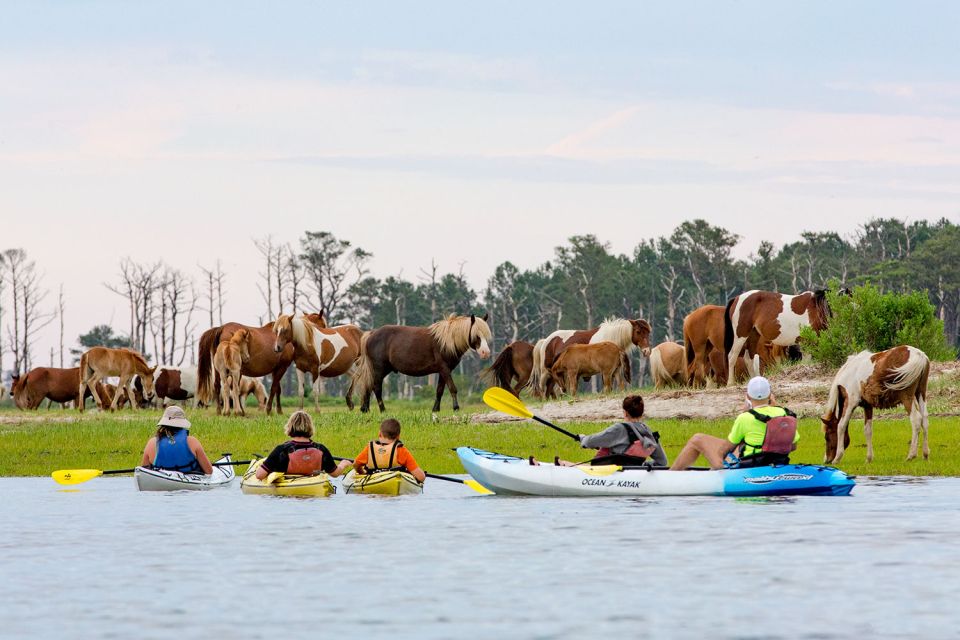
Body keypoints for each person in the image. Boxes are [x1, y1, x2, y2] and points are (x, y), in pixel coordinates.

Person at [670, 376, 799, 471]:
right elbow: (793, 446)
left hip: (751, 465)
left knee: (697, 439)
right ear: (770, 395)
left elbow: (726, 449)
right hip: (776, 461)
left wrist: (719, 460)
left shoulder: (745, 418)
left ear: (748, 396)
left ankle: (672, 476)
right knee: (745, 444)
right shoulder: (784, 414)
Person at [551, 395, 667, 467]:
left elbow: (592, 441)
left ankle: (561, 465)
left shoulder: (620, 429)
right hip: (632, 472)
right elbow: (662, 462)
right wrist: (643, 466)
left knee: (570, 465)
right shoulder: (648, 432)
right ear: (641, 413)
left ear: (625, 412)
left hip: (612, 473)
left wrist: (583, 439)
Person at [256, 410, 351, 479]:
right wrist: (343, 464)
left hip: (289, 491)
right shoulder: (321, 449)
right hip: (313, 486)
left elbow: (259, 475)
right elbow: (335, 473)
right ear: (310, 427)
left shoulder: (282, 450)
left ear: (290, 426)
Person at [140, 405, 213, 474]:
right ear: (182, 424)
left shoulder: (152, 443)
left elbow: (144, 471)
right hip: (188, 482)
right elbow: (209, 471)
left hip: (162, 481)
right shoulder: (192, 442)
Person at [352, 418, 426, 483]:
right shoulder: (401, 450)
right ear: (398, 437)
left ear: (379, 434)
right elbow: (421, 477)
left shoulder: (369, 448)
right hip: (394, 481)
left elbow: (356, 464)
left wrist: (362, 472)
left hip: (373, 481)